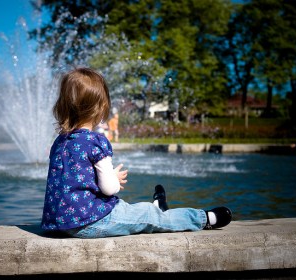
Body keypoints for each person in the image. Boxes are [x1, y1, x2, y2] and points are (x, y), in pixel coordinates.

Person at [41, 67, 232, 239]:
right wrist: (114, 178)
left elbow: (72, 182)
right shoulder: (95, 142)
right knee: (148, 217)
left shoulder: (59, 143)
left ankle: (157, 209)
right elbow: (109, 188)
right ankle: (203, 218)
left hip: (57, 223)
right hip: (88, 222)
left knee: (133, 211)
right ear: (100, 109)